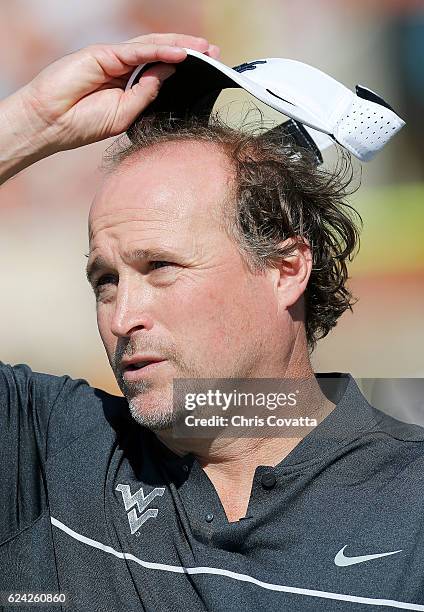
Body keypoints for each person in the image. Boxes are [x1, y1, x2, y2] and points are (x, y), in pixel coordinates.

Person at [1, 33, 423, 612]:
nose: (123, 316)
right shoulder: (47, 450)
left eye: (161, 267)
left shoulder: (412, 501)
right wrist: (28, 125)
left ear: (285, 268)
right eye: (106, 281)